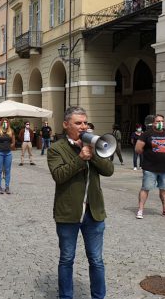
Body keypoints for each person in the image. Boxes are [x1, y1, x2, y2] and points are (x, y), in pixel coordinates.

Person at [47, 106, 114, 299]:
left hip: (94, 213)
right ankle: (66, 297)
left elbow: (109, 171)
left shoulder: (94, 146)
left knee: (96, 260)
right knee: (67, 259)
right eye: (78, 123)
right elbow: (59, 176)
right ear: (66, 125)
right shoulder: (56, 149)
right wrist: (79, 158)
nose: (83, 126)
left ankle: (98, 297)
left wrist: (93, 154)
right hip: (68, 212)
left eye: (85, 122)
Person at [135, 114, 165, 219]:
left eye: (162, 121)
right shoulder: (147, 134)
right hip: (150, 168)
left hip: (164, 168)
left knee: (164, 189)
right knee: (146, 188)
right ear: (153, 123)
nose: (160, 123)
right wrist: (148, 156)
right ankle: (140, 210)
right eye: (158, 121)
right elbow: (138, 148)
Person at [0, 118, 16, 194]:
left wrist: (9, 147)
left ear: (8, 123)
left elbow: (13, 142)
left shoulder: (11, 131)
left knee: (7, 170)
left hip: (8, 153)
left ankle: (7, 187)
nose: (5, 124)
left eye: (6, 122)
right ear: (1, 123)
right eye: (4, 122)